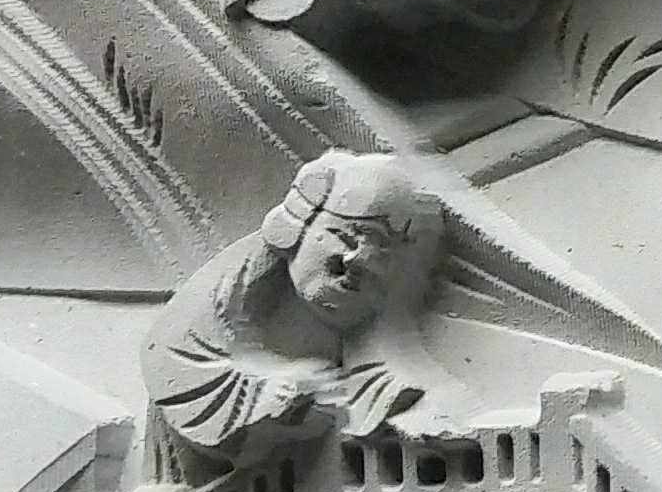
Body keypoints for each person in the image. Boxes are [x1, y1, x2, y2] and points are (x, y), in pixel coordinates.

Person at [143, 151, 460, 470]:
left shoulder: (381, 332)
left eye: (382, 255)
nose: (356, 261)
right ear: (300, 226)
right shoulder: (225, 294)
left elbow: (394, 378)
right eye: (343, 237)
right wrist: (270, 389)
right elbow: (177, 363)